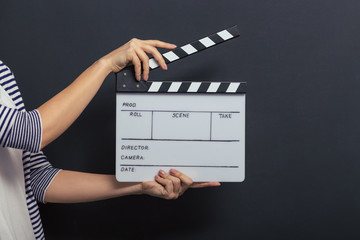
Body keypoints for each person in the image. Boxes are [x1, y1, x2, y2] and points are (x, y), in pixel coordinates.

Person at [0, 38, 220, 240]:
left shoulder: (2, 73)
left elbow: (37, 179)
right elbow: (29, 132)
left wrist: (140, 184)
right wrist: (105, 64)